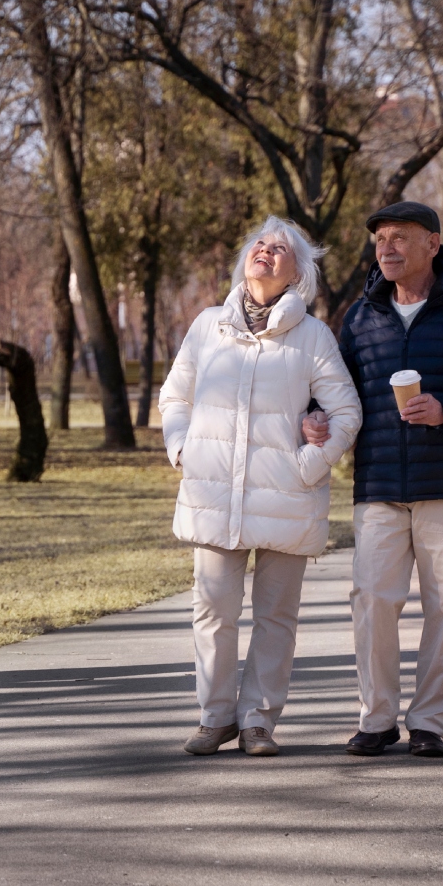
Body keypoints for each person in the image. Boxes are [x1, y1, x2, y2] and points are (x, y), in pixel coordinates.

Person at [305, 201, 443, 758]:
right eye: (380, 240)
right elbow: (335, 390)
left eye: (400, 237)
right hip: (378, 483)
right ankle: (376, 719)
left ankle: (429, 723)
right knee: (372, 600)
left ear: (433, 242)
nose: (387, 248)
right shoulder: (360, 317)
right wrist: (316, 415)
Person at [160, 217, 361, 757]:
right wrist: (183, 448)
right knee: (212, 610)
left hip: (287, 494)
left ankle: (257, 722)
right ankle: (215, 718)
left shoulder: (313, 336)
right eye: (260, 244)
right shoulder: (207, 326)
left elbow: (345, 411)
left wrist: (311, 463)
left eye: (281, 249)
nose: (266, 252)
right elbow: (175, 397)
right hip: (214, 494)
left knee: (276, 617)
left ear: (299, 274)